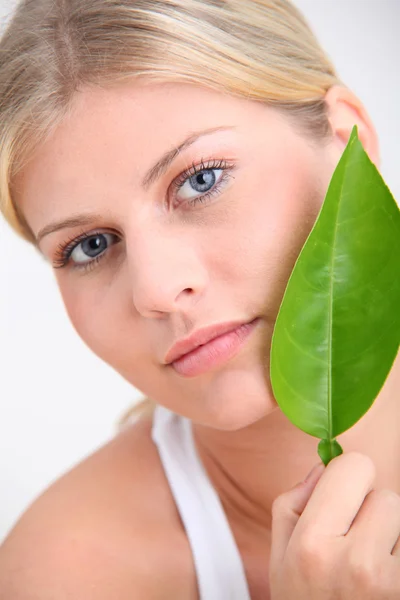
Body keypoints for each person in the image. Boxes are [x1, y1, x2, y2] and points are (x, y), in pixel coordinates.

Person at [0, 0, 399, 597]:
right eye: (91, 245)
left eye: (199, 180)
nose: (157, 290)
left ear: (349, 141)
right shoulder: (63, 576)